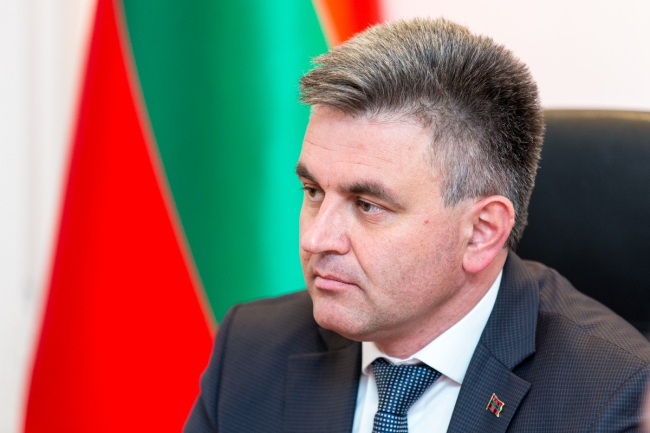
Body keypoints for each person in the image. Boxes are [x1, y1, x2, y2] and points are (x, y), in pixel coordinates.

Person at [185, 18, 650, 432]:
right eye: (313, 191)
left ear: (481, 232)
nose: (315, 238)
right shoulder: (252, 347)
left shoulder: (612, 399)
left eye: (367, 205)